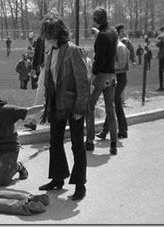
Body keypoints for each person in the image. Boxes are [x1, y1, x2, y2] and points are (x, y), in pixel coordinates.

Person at [35, 15, 89, 201]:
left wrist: (80, 108)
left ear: (57, 33)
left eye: (49, 34)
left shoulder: (73, 50)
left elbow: (83, 82)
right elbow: (51, 82)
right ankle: (58, 178)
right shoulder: (50, 53)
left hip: (73, 106)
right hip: (56, 106)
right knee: (55, 143)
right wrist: (47, 105)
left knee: (77, 145)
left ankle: (80, 184)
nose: (46, 38)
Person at [85, 8, 118, 155]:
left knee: (89, 106)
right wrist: (98, 34)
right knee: (110, 110)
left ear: (97, 19)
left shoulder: (102, 36)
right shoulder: (113, 32)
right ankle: (113, 144)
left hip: (102, 75)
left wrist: (92, 75)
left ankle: (90, 140)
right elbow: (107, 42)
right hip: (112, 76)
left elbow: (99, 58)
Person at [96, 27, 130, 140]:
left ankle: (105, 131)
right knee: (117, 104)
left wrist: (108, 66)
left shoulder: (119, 47)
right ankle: (123, 130)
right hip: (114, 77)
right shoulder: (114, 46)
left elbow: (121, 64)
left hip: (120, 77)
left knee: (112, 104)